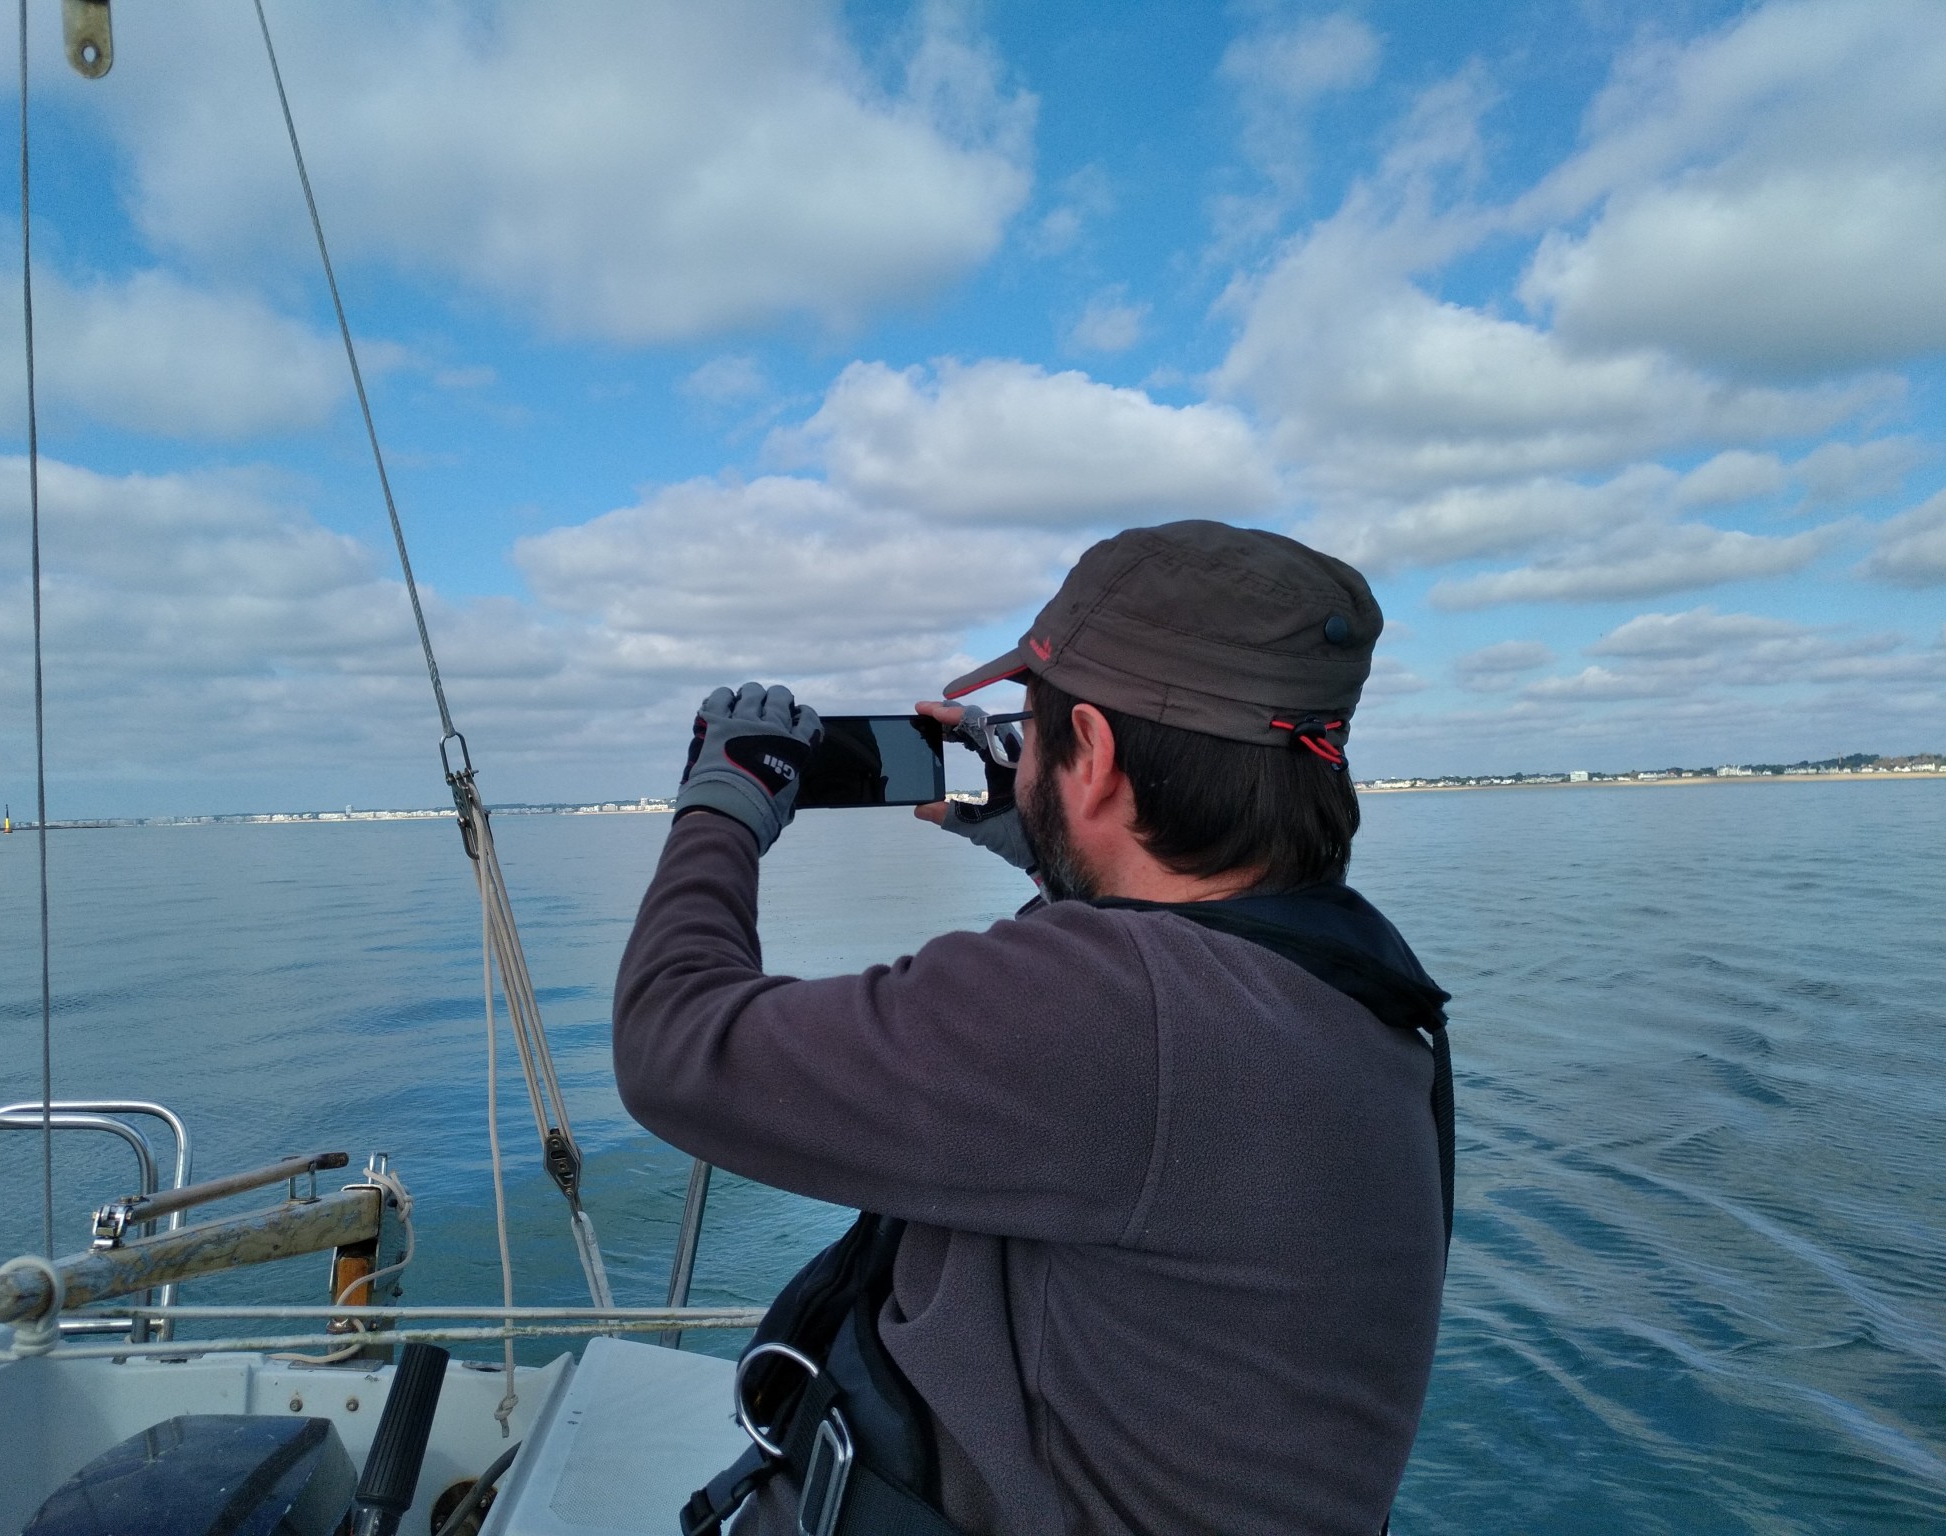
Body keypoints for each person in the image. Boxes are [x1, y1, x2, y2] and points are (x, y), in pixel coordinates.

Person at [614, 520, 1451, 1536]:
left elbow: (672, 1043)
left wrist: (721, 804)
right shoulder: (1348, 981)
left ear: (1092, 753)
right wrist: (1048, 837)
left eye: (1037, 728)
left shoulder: (1111, 1009)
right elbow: (1171, 986)